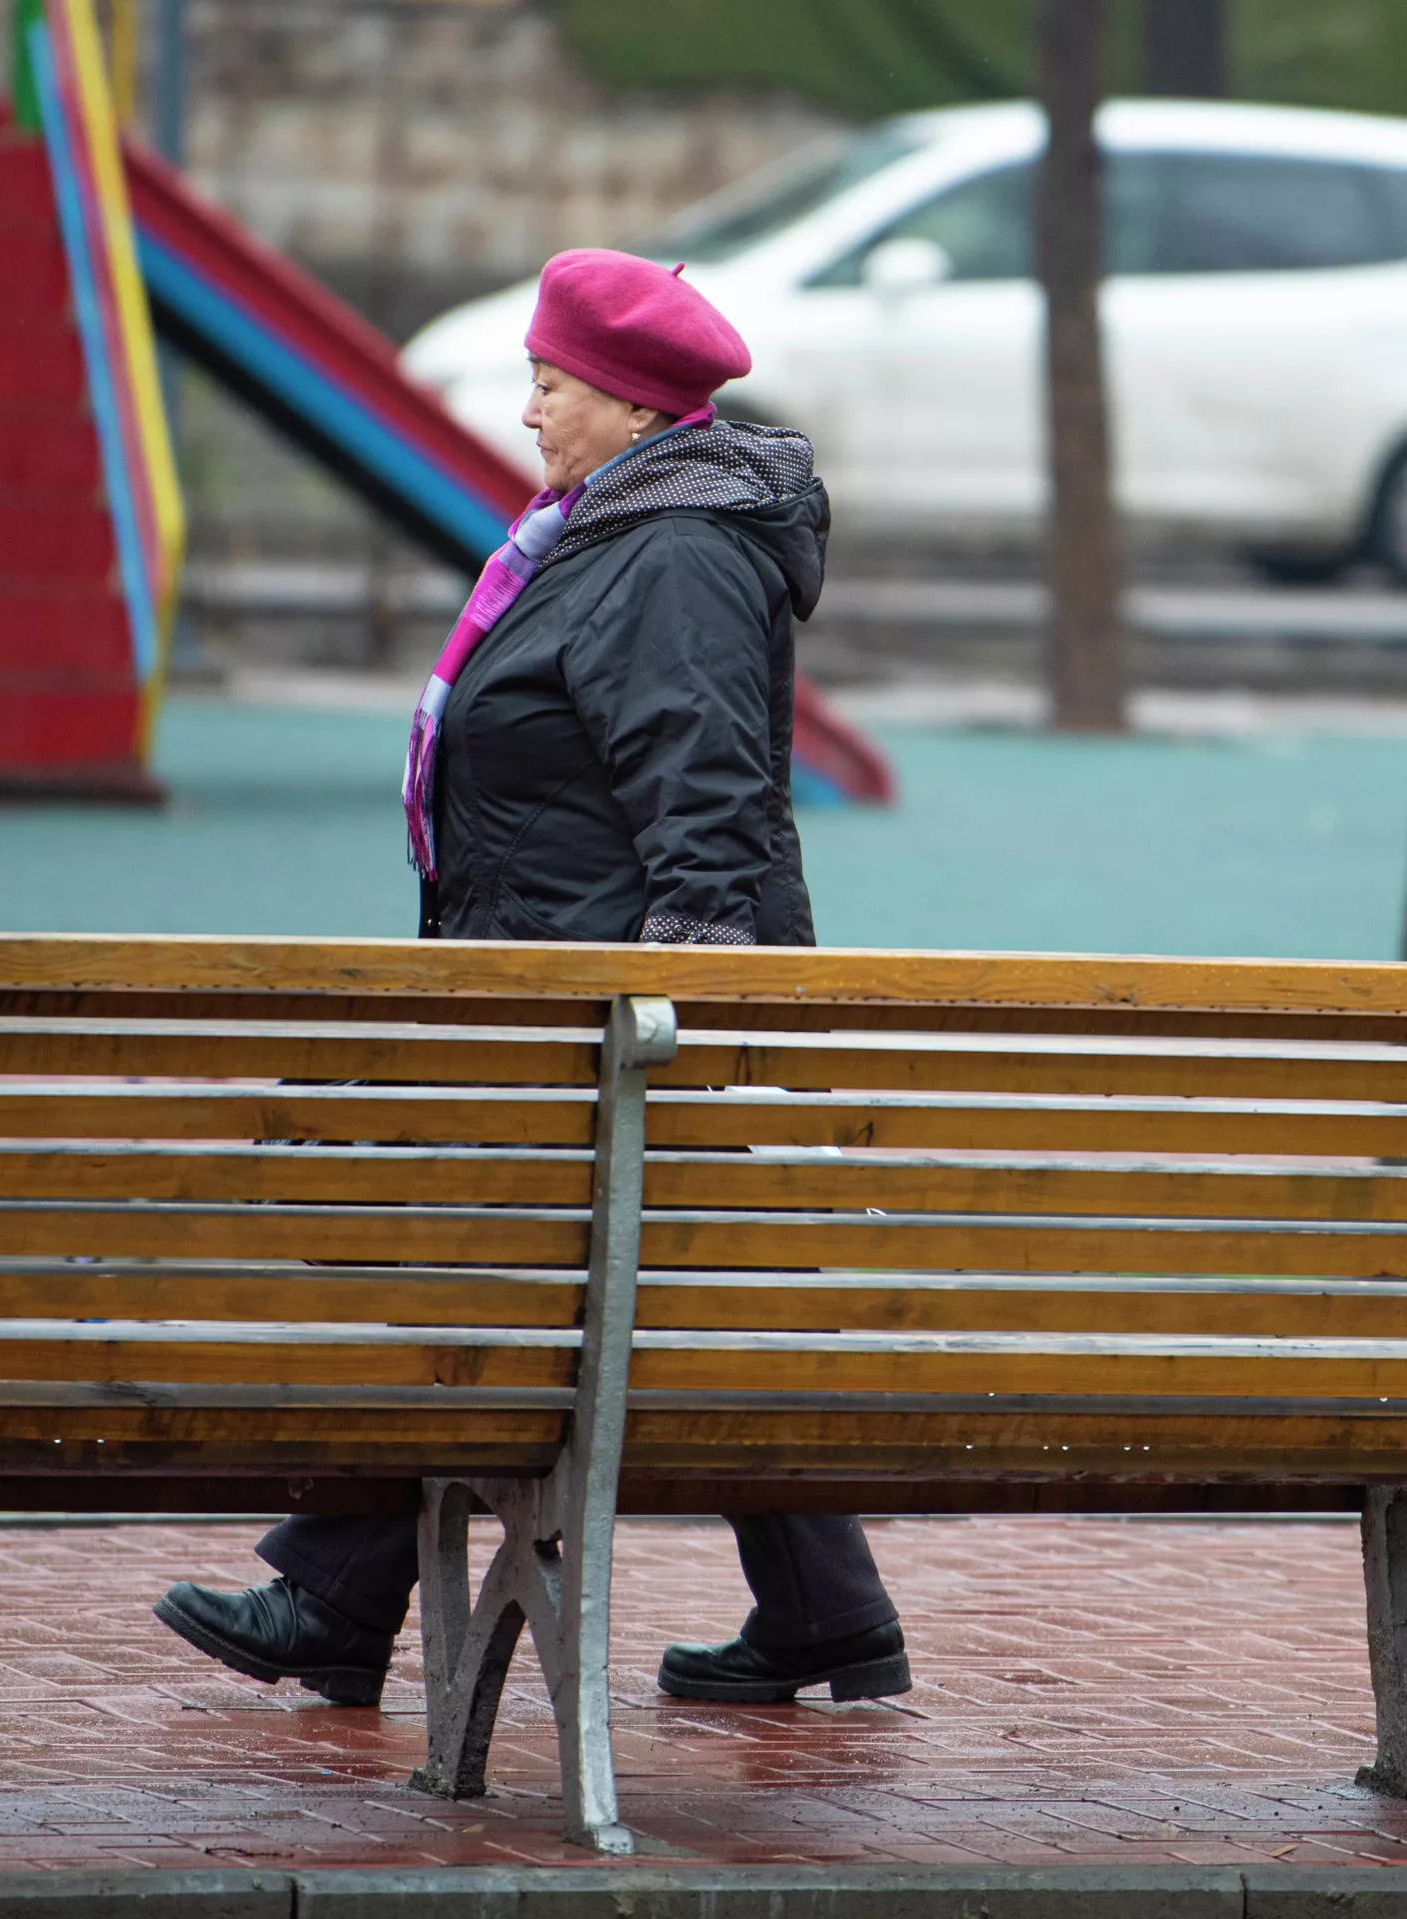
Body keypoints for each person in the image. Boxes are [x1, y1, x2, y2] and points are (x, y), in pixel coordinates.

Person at [155, 247, 909, 1713]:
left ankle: (334, 1596)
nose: (529, 411)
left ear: (631, 405)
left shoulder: (671, 553)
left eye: (552, 384)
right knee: (670, 1288)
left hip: (608, 1021)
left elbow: (708, 798)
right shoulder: (613, 532)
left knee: (491, 1271)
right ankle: (827, 1611)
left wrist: (668, 1026)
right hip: (572, 999)